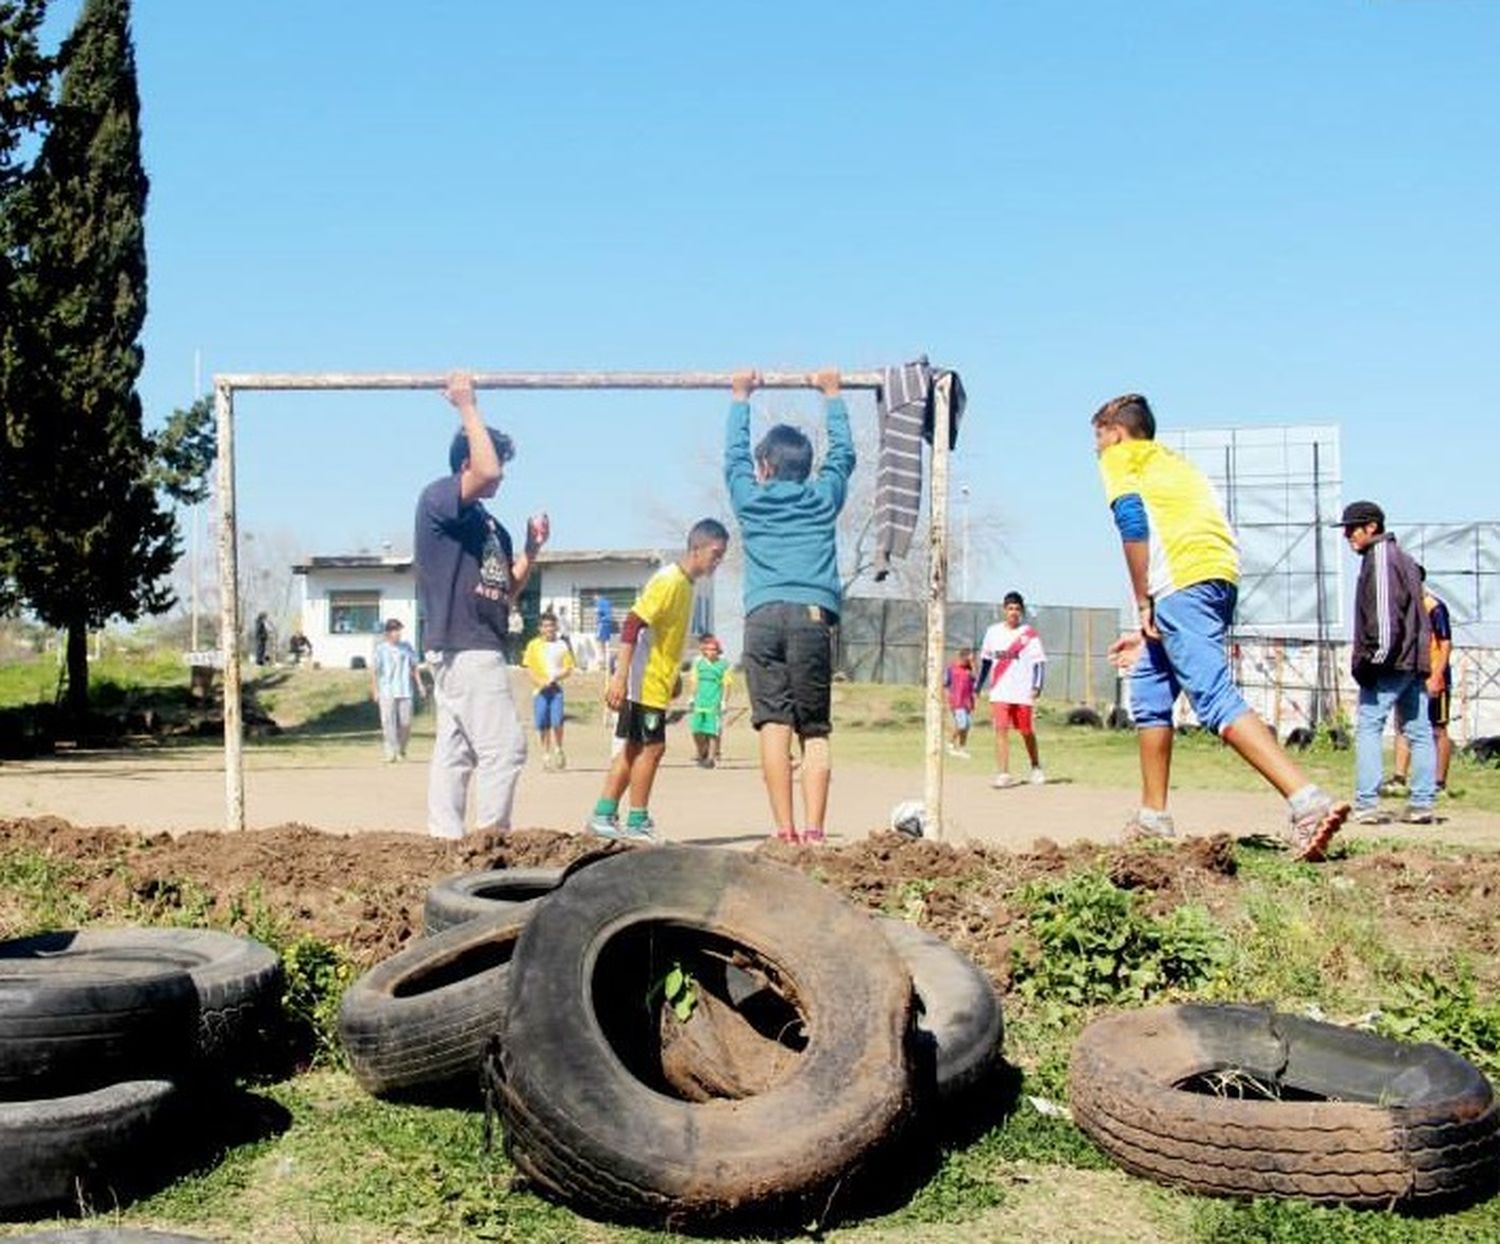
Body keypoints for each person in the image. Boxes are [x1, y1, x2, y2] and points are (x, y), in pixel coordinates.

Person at [1094, 393, 1348, 861]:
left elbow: (1131, 522)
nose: (1096, 447)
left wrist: (1144, 601)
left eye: (1098, 436)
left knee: (1211, 696)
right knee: (1150, 691)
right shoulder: (1177, 465)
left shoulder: (1120, 457)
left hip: (1180, 585)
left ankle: (1306, 801)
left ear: (1116, 430)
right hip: (1217, 578)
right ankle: (1153, 817)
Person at [415, 371, 549, 841]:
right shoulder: (439, 498)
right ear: (468, 459)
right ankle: (491, 840)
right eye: (496, 459)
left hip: (477, 641)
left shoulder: (493, 527)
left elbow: (506, 589)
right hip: (464, 643)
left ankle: (445, 838)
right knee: (504, 749)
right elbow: (487, 470)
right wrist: (467, 407)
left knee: (456, 751)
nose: (503, 473)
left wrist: (531, 551)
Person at [725, 368, 854, 845]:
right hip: (811, 619)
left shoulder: (750, 500)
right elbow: (843, 456)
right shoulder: (822, 498)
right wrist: (833, 396)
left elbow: (732, 458)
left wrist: (741, 398)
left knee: (774, 724)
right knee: (814, 730)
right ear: (805, 467)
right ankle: (815, 832)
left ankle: (785, 831)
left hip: (762, 620)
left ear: (765, 468)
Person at [586, 520, 730, 839]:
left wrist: (675, 673)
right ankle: (637, 822)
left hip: (658, 680)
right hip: (643, 681)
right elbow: (632, 625)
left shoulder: (688, 585)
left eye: (722, 555)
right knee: (652, 749)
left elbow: (664, 635)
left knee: (633, 748)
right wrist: (620, 678)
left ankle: (603, 815)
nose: (718, 561)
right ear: (696, 548)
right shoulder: (669, 580)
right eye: (715, 553)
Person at [1341, 501, 1437, 825]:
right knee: (1419, 731)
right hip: (1412, 660)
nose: (1346, 535)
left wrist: (1373, 661)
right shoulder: (1405, 559)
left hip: (1390, 662)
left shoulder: (1380, 558)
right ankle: (1422, 803)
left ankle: (1367, 804)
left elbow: (1386, 620)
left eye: (1352, 528)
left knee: (1369, 727)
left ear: (1372, 527)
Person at [1389, 565, 1454, 796]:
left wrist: (1437, 676)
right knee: (1403, 726)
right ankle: (1399, 778)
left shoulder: (1434, 607)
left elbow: (1445, 643)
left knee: (1438, 729)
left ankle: (1439, 783)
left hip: (1434, 676)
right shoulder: (1402, 609)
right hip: (1408, 675)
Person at [978, 593, 1047, 785]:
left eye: (1017, 609)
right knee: (1000, 729)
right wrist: (978, 685)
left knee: (1026, 730)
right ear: (1004, 610)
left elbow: (1039, 662)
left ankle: (1035, 766)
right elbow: (985, 661)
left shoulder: (1029, 634)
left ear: (1022, 611)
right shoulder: (992, 632)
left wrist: (1037, 685)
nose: (1013, 612)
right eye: (1010, 608)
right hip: (1000, 690)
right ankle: (1003, 773)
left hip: (1022, 691)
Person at [521, 611, 575, 770]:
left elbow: (568, 668)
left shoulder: (562, 645)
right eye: (545, 626)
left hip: (555, 689)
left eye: (551, 625)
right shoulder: (533, 645)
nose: (549, 629)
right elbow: (528, 667)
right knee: (542, 723)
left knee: (557, 720)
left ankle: (559, 748)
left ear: (556, 627)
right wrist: (538, 681)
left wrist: (555, 678)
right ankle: (546, 753)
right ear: (540, 628)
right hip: (540, 691)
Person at [370, 618, 423, 762]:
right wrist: (375, 690)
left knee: (405, 723)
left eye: (399, 630)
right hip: (387, 690)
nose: (398, 633)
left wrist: (420, 685)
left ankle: (402, 749)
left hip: (405, 690)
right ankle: (391, 751)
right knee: (388, 722)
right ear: (388, 633)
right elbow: (374, 671)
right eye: (395, 630)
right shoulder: (380, 649)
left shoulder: (407, 647)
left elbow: (414, 667)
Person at [688, 633, 733, 767]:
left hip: (714, 702)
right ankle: (701, 751)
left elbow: (727, 684)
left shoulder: (723, 665)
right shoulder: (698, 663)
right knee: (696, 730)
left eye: (714, 649)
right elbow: (694, 681)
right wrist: (691, 697)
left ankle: (711, 758)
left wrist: (724, 701)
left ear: (718, 650)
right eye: (708, 649)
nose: (711, 652)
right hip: (699, 701)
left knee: (712, 731)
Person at [944, 647, 977, 759]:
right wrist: (946, 699)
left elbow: (975, 678)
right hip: (956, 701)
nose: (971, 661)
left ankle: (962, 748)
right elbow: (946, 684)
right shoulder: (952, 668)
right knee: (961, 724)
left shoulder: (969, 670)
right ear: (964, 657)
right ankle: (950, 744)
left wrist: (972, 665)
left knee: (967, 725)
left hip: (967, 702)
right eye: (970, 658)